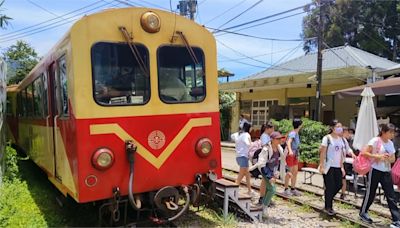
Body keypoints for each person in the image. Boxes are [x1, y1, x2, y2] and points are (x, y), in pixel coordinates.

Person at [359, 123, 400, 228]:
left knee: (391, 195)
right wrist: (377, 156)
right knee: (371, 192)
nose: (392, 134)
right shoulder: (375, 140)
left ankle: (396, 219)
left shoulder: (390, 143)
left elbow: (393, 159)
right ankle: (363, 212)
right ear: (384, 132)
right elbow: (364, 153)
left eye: (393, 132)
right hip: (374, 170)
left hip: (386, 170)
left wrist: (387, 158)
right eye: (390, 132)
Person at [249, 131, 286, 218]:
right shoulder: (266, 149)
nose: (280, 140)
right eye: (278, 139)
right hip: (265, 170)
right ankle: (264, 208)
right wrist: (269, 176)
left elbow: (279, 162)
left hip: (272, 171)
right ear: (272, 140)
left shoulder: (279, 148)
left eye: (281, 138)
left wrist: (276, 173)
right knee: (272, 189)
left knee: (268, 189)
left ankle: (262, 208)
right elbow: (262, 165)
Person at [319, 120, 346, 216]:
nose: (340, 128)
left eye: (341, 126)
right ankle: (328, 207)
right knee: (330, 186)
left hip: (338, 166)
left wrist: (342, 167)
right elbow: (322, 152)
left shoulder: (341, 139)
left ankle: (327, 198)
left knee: (339, 184)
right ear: (332, 128)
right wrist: (321, 165)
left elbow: (341, 154)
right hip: (328, 166)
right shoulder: (327, 138)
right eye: (338, 126)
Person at [283, 118, 302, 196]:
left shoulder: (296, 133)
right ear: (300, 125)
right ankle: (286, 188)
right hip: (291, 154)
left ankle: (293, 188)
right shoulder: (293, 133)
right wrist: (290, 150)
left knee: (295, 172)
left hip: (295, 154)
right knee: (289, 172)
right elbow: (288, 142)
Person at [257, 121, 275, 206]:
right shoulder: (264, 136)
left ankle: (264, 197)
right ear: (268, 129)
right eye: (272, 128)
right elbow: (265, 146)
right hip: (264, 161)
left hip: (267, 161)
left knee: (264, 180)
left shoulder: (266, 136)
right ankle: (262, 198)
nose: (273, 130)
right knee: (264, 180)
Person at [235, 122, 255, 196]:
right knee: (241, 174)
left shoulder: (240, 135)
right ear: (249, 127)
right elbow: (248, 144)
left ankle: (249, 190)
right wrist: (254, 144)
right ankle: (234, 188)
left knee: (247, 174)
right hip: (243, 156)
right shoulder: (247, 135)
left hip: (239, 156)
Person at [340, 127, 356, 200]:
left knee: (343, 178)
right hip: (334, 163)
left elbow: (348, 149)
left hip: (342, 162)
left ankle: (343, 194)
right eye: (346, 132)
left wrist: (352, 154)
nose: (348, 134)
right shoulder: (336, 139)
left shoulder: (344, 140)